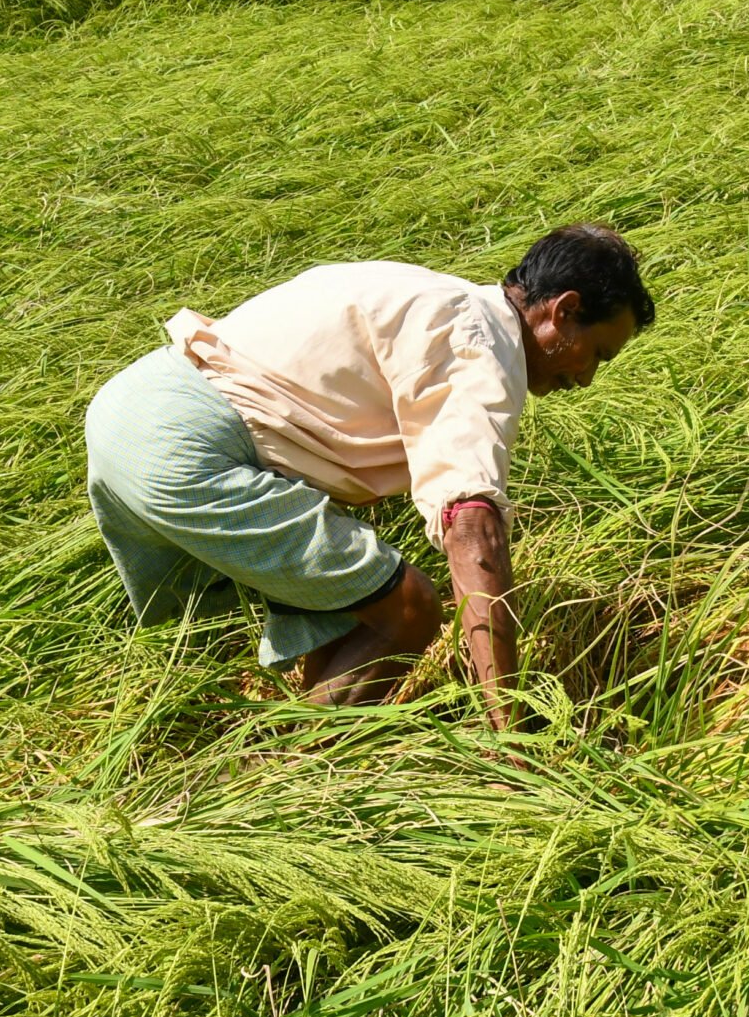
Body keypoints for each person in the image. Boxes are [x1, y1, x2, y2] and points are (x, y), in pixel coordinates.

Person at [84, 224, 654, 729]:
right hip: (190, 447)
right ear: (564, 310)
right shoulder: (481, 347)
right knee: (407, 606)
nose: (587, 379)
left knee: (221, 642)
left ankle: (212, 760)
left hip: (129, 408)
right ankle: (278, 780)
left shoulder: (426, 290)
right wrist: (506, 721)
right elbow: (472, 525)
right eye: (597, 354)